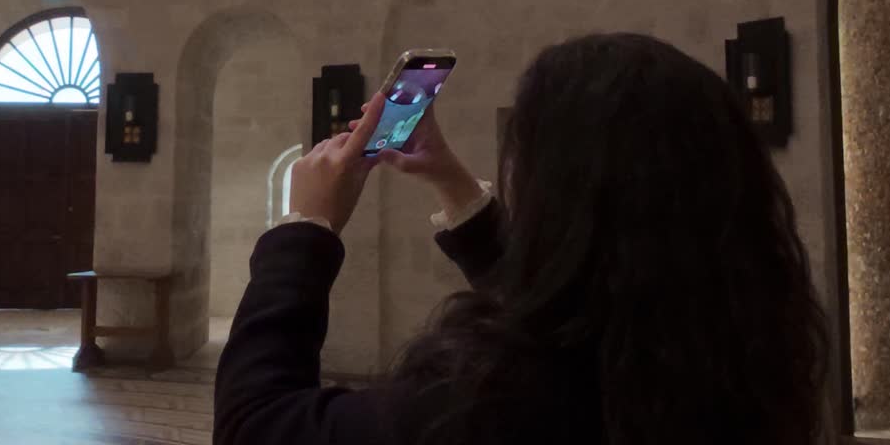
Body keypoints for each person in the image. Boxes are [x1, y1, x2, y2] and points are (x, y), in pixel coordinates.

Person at [214, 33, 829, 445]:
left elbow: (255, 425)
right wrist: (452, 180)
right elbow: (568, 308)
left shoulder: (492, 406)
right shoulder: (738, 353)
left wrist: (305, 231)